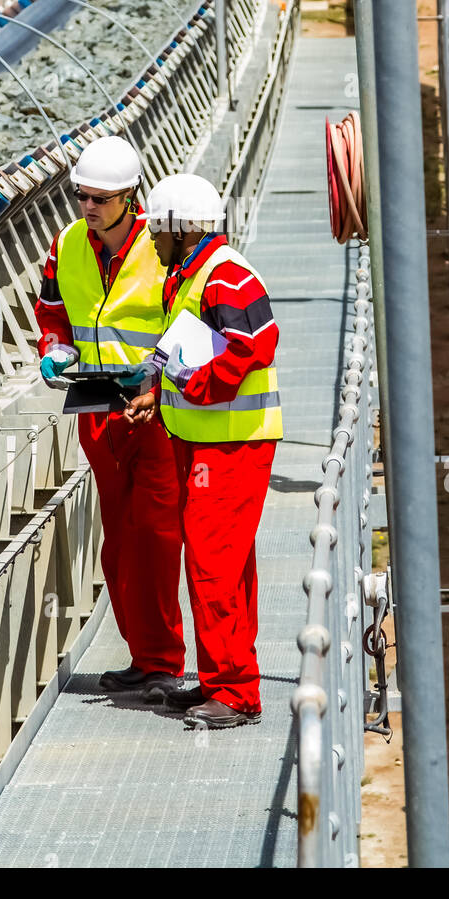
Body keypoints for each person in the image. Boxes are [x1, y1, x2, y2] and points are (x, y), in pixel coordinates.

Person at [125, 173, 282, 729]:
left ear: (179, 228)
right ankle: (224, 680)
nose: (149, 239)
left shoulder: (226, 277)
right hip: (203, 439)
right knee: (224, 565)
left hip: (232, 444)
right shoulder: (192, 276)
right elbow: (184, 354)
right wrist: (155, 393)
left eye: (156, 229)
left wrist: (199, 387)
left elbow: (254, 345)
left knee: (213, 565)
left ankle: (236, 693)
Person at [35, 137, 184, 701]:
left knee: (156, 535)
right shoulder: (67, 245)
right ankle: (146, 657)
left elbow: (189, 318)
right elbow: (52, 313)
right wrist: (54, 348)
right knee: (118, 543)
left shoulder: (163, 245)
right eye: (81, 196)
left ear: (130, 196)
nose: (88, 207)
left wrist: (154, 375)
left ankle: (166, 658)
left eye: (101, 198)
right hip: (97, 409)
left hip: (155, 410)